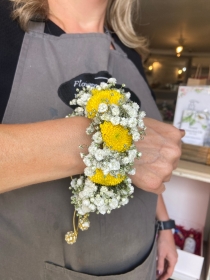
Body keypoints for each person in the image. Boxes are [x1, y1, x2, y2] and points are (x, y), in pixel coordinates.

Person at [0, 0, 184, 279]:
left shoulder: (130, 54)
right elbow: (138, 150)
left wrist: (165, 226)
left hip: (142, 266)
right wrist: (105, 144)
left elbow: (150, 161)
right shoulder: (6, 25)